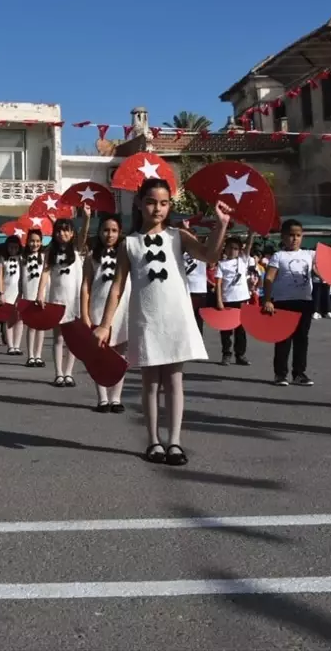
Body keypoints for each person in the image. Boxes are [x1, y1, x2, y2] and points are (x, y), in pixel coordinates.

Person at [93, 179, 230, 465]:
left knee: (174, 381)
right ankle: (153, 441)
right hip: (146, 318)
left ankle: (175, 441)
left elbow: (210, 255)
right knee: (150, 382)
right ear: (140, 204)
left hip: (175, 316)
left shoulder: (178, 236)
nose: (158, 208)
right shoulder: (128, 243)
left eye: (164, 203)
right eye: (152, 202)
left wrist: (222, 225)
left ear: (170, 206)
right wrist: (105, 324)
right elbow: (117, 287)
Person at [262, 219, 316, 387]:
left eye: (298, 235)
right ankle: (280, 374)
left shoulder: (309, 254)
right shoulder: (279, 256)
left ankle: (299, 374)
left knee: (302, 339)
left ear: (302, 237)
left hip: (305, 302)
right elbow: (269, 278)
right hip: (283, 303)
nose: (295, 239)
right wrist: (267, 300)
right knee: (283, 340)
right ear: (283, 237)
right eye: (291, 235)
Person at [86, 212, 129, 410]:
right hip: (97, 307)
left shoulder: (127, 254)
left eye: (114, 231)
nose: (109, 235)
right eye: (105, 230)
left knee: (119, 355)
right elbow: (85, 287)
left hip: (122, 308)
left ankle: (116, 398)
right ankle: (102, 397)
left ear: (120, 233)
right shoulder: (91, 256)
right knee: (100, 354)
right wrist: (85, 314)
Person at [38, 216, 87, 387]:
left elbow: (84, 234)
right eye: (58, 230)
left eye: (66, 230)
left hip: (74, 300)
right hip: (56, 300)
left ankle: (69, 373)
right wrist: (40, 294)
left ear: (72, 233)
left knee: (72, 339)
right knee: (58, 338)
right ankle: (58, 373)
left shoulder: (77, 249)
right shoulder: (50, 251)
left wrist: (86, 217)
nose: (62, 233)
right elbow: (45, 273)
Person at [215, 236, 253, 366]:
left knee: (241, 330)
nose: (232, 251)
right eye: (230, 248)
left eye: (236, 249)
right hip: (227, 301)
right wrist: (219, 301)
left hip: (242, 300)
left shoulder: (243, 260)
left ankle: (240, 355)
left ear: (240, 251)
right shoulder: (221, 264)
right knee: (226, 330)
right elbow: (218, 283)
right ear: (225, 249)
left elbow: (248, 245)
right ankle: (226, 354)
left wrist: (251, 232)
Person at [20, 229, 46, 367]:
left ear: (41, 242)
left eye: (37, 241)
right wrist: (20, 295)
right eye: (32, 241)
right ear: (27, 241)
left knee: (41, 327)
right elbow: (20, 279)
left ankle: (38, 355)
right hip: (28, 295)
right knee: (31, 326)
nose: (34, 243)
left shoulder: (44, 256)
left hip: (41, 295)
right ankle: (30, 355)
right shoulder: (22, 258)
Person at [0, 234, 24, 355]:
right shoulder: (2, 259)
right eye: (11, 247)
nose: (13, 249)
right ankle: (10, 345)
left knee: (19, 319)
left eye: (16, 247)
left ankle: (17, 345)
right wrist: (0, 293)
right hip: (7, 291)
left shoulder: (22, 259)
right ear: (6, 247)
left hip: (19, 291)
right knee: (8, 319)